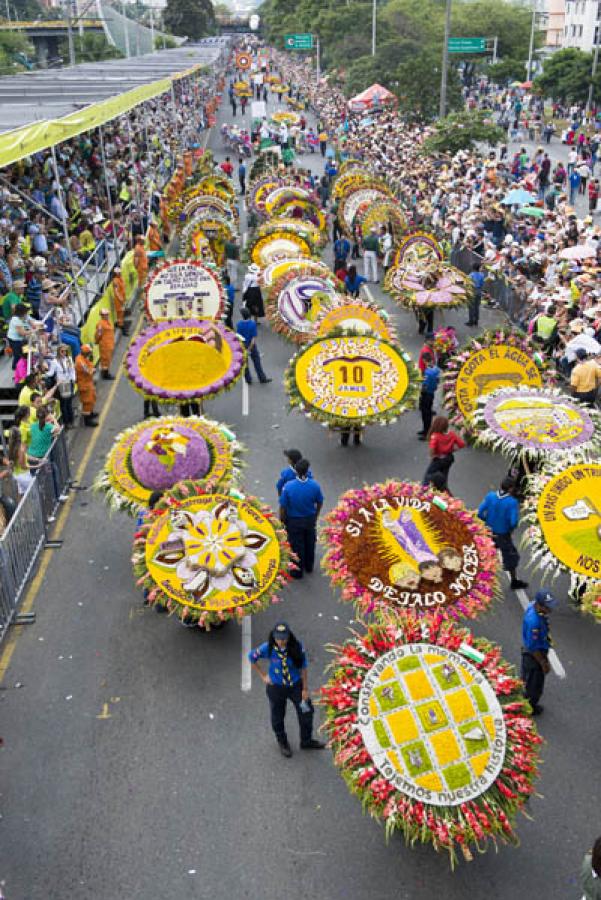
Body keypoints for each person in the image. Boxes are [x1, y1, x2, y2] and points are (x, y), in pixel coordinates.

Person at [249, 622, 325, 757]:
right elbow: (252, 657)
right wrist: (263, 676)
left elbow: (303, 668)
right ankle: (282, 742)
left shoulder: (297, 647)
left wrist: (305, 689)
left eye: (284, 638)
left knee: (306, 712)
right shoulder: (268, 648)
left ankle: (306, 741)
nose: (281, 641)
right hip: (276, 688)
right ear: (274, 637)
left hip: (296, 686)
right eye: (278, 638)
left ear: (289, 637)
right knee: (277, 716)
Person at [478, 476, 528, 590]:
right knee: (510, 557)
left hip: (489, 531)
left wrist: (486, 521)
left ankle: (483, 580)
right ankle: (514, 580)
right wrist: (510, 528)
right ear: (510, 489)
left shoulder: (490, 496)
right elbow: (513, 521)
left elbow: (480, 512)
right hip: (503, 534)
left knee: (486, 555)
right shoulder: (512, 502)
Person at [279, 458, 323, 579]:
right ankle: (309, 566)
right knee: (310, 542)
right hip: (309, 519)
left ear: (296, 471)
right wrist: (316, 515)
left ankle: (297, 571)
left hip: (294, 521)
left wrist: (282, 520)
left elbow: (283, 506)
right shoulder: (314, 485)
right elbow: (319, 501)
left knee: (296, 545)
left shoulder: (288, 487)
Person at [521, 588, 558, 715]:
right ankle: (530, 706)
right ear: (540, 605)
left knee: (527, 677)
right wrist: (543, 663)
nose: (550, 610)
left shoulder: (533, 606)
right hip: (534, 655)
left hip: (533, 649)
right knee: (535, 684)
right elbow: (533, 648)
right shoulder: (534, 623)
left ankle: (525, 695)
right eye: (548, 607)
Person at [422, 416, 465, 491]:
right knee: (444, 477)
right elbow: (461, 444)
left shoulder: (435, 436)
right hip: (448, 458)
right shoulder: (451, 434)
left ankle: (424, 490)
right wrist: (452, 450)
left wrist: (433, 456)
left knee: (428, 476)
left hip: (438, 459)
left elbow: (432, 448)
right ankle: (443, 491)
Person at [236, 307, 272, 385]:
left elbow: (238, 337)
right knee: (257, 362)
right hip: (251, 346)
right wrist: (250, 348)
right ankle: (262, 378)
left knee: (245, 363)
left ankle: (248, 379)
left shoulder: (239, 324)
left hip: (243, 345)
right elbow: (253, 339)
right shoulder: (252, 324)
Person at [417, 353, 440, 439]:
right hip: (432, 393)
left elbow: (425, 385)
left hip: (426, 394)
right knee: (428, 413)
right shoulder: (436, 369)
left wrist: (420, 389)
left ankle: (427, 432)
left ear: (425, 360)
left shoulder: (427, 371)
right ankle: (426, 430)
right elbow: (437, 381)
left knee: (425, 414)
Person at [75, 344, 98, 427]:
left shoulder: (83, 358)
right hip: (84, 384)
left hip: (88, 383)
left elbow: (89, 364)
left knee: (92, 398)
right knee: (87, 402)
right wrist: (92, 369)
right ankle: (87, 420)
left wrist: (91, 367)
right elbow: (88, 371)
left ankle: (90, 413)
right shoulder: (80, 362)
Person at [94, 308, 115, 380]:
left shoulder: (107, 322)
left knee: (108, 359)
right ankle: (105, 374)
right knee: (105, 360)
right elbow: (98, 334)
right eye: (105, 315)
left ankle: (106, 372)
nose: (107, 316)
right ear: (102, 315)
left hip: (109, 344)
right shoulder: (100, 324)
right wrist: (97, 341)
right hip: (105, 345)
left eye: (107, 314)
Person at [467, 261, 485, 327]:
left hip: (472, 291)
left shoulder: (471, 275)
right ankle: (476, 320)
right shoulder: (482, 275)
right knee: (477, 307)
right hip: (479, 291)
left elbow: (468, 284)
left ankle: (470, 321)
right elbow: (482, 284)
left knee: (471, 307)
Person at [111, 266, 127, 332]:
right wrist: (120, 299)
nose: (119, 273)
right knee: (120, 312)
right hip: (119, 300)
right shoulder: (115, 281)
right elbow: (116, 291)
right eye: (118, 273)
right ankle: (121, 326)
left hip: (122, 298)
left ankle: (121, 323)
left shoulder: (121, 279)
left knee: (122, 312)